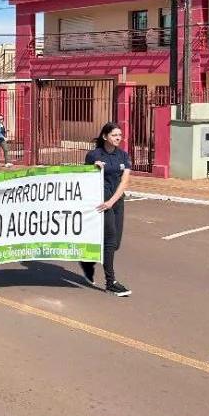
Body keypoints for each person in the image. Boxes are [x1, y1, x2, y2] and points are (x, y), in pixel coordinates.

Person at [79, 122, 132, 297]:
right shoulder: (94, 155)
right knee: (110, 239)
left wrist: (112, 201)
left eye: (120, 135)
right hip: (101, 202)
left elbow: (125, 181)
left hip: (116, 202)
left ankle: (89, 257)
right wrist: (93, 167)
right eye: (114, 135)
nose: (118, 138)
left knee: (115, 244)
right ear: (105, 136)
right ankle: (111, 282)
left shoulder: (123, 156)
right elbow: (83, 176)